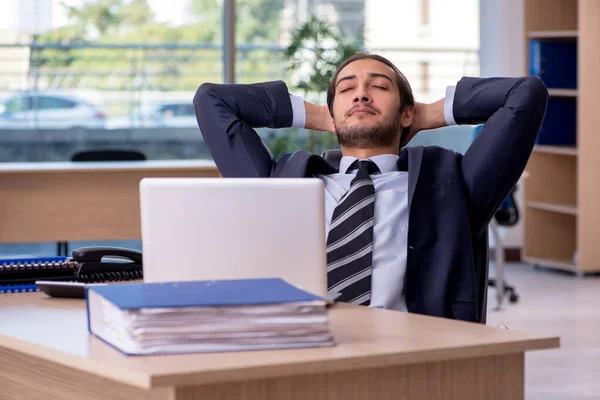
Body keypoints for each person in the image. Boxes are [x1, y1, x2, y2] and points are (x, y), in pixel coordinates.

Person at [193, 52, 548, 322]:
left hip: (412, 356)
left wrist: (429, 114)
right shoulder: (280, 183)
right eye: (347, 89)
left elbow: (525, 94)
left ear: (406, 112)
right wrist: (320, 116)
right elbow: (212, 101)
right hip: (301, 345)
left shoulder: (454, 184)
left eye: (378, 87)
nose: (361, 95)